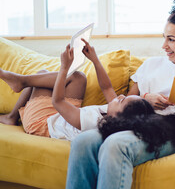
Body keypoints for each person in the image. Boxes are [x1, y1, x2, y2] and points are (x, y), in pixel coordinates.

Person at [66, 0, 175, 189]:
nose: (164, 46)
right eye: (164, 38)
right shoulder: (150, 65)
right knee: (83, 141)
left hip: (172, 130)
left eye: (171, 40)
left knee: (116, 145)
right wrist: (146, 99)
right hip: (135, 122)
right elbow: (128, 101)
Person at [0, 40, 147, 141]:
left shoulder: (93, 122)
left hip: (42, 123)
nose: (120, 96)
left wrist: (64, 67)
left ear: (117, 118)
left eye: (121, 100)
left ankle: (17, 93)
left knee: (41, 74)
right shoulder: (112, 111)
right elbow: (107, 87)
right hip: (63, 117)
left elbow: (57, 102)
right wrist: (95, 60)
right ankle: (20, 85)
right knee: (78, 77)